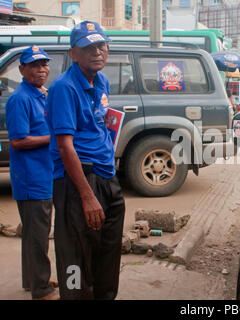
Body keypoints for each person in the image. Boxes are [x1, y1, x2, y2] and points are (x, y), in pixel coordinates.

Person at [45, 21, 125, 300]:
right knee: (75, 257)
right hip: (77, 182)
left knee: (108, 250)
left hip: (106, 176)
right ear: (73, 53)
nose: (97, 52)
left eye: (101, 45)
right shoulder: (64, 88)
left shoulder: (101, 81)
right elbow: (65, 146)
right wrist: (87, 196)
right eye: (88, 47)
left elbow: (100, 124)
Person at [5, 46, 59, 300]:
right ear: (22, 69)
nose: (41, 70)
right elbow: (17, 141)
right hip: (31, 177)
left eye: (44, 65)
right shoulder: (20, 99)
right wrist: (54, 139)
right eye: (35, 65)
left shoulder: (41, 94)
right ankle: (41, 289)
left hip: (44, 173)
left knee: (33, 233)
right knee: (38, 235)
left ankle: (33, 279)